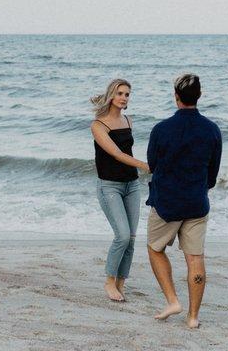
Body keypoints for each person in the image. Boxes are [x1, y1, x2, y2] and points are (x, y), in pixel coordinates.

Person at [146, 73, 222, 328]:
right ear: (199, 96)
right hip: (197, 203)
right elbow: (212, 174)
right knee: (195, 257)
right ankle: (193, 317)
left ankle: (172, 300)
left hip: (167, 203)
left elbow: (153, 165)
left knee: (155, 248)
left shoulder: (161, 129)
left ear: (176, 97)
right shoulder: (212, 130)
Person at [90, 78, 150, 302]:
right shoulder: (98, 125)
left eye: (127, 94)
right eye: (120, 93)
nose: (124, 98)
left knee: (132, 238)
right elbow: (116, 154)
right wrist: (146, 166)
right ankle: (109, 281)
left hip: (132, 185)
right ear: (111, 95)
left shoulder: (128, 121)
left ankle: (121, 283)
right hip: (110, 186)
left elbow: (126, 150)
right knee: (122, 236)